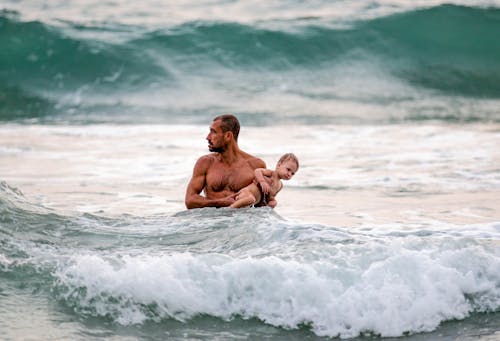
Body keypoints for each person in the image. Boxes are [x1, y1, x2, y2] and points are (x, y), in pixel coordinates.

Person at [185, 114, 266, 209]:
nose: (208, 137)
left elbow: (263, 207)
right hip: (212, 221)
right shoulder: (205, 163)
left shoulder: (256, 166)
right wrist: (221, 202)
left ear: (228, 136)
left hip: (242, 221)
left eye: (213, 132)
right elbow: (189, 201)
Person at [230, 153, 299, 208]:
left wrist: (272, 201)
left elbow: (270, 197)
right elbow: (257, 171)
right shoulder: (271, 174)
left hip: (253, 202)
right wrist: (262, 181)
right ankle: (230, 209)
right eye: (288, 169)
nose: (289, 174)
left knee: (257, 205)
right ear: (279, 165)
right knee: (251, 199)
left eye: (292, 173)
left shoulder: (280, 186)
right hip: (246, 193)